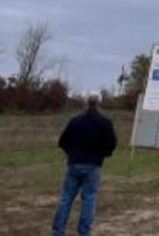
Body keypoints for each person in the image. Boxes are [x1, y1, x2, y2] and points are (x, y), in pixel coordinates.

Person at [52, 93, 117, 236]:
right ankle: (84, 232)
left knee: (66, 197)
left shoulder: (75, 121)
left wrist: (71, 153)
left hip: (74, 163)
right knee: (89, 198)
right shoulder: (105, 123)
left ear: (86, 103)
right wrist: (103, 154)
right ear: (99, 104)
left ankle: (57, 231)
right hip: (93, 165)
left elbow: (62, 141)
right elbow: (112, 143)